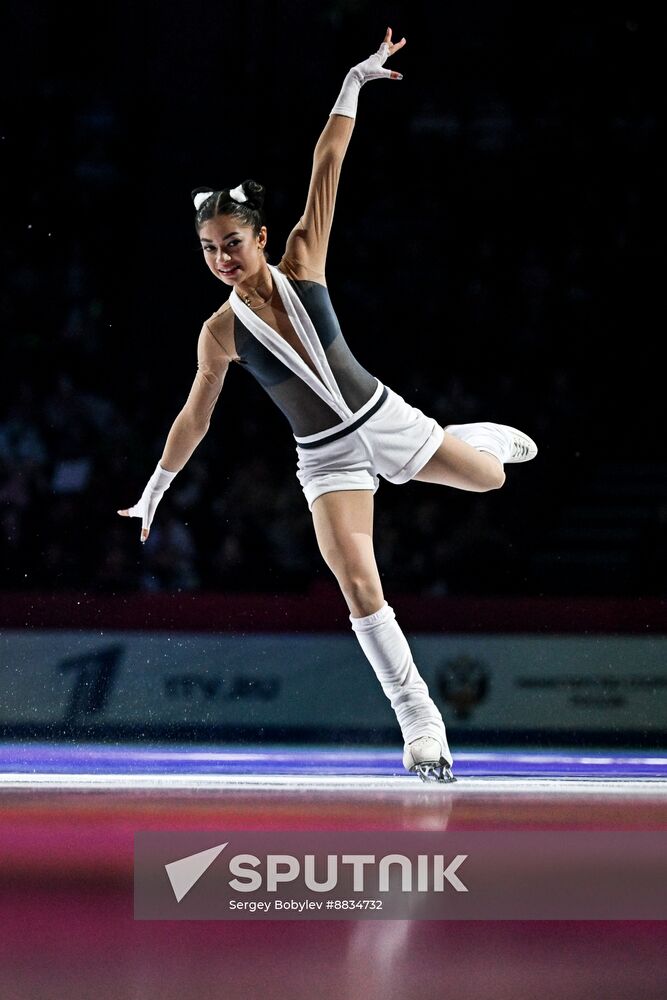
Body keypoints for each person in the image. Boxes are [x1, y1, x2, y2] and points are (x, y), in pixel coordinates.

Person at [118, 28, 537, 783]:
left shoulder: (302, 260)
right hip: (327, 456)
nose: (222, 257)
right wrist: (156, 487)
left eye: (233, 242)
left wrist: (353, 81)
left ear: (261, 237)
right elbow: (195, 418)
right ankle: (420, 724)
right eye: (209, 247)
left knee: (491, 481)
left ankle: (469, 438)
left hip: (382, 416)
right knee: (356, 583)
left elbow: (327, 163)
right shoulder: (218, 333)